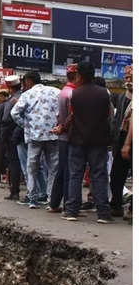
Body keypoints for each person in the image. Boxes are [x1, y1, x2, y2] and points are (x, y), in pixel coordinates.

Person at [58, 61, 114, 223]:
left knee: (75, 175)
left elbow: (72, 116)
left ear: (79, 75)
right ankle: (103, 213)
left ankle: (71, 211)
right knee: (99, 175)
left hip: (77, 139)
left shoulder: (75, 94)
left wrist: (62, 127)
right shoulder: (105, 93)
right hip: (99, 140)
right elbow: (109, 116)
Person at [11, 71, 60, 209]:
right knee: (53, 168)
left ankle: (33, 199)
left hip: (34, 136)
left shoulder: (27, 95)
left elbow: (14, 113)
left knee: (32, 168)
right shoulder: (56, 91)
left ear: (28, 81)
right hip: (52, 135)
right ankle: (51, 199)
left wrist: (26, 125)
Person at [47, 64, 78, 213]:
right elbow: (73, 115)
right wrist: (63, 127)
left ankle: (54, 203)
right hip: (69, 136)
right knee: (69, 172)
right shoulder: (72, 93)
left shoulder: (63, 92)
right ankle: (68, 204)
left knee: (62, 170)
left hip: (63, 136)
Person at [109, 64, 132, 217]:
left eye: (130, 77)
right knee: (116, 175)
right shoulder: (123, 97)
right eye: (126, 77)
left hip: (130, 140)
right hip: (121, 139)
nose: (127, 80)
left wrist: (127, 144)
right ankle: (116, 205)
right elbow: (117, 121)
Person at [1, 75, 24, 200]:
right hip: (10, 132)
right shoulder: (14, 98)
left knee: (14, 162)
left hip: (13, 132)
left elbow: (14, 117)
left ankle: (15, 190)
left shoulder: (19, 98)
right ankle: (13, 189)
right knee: (12, 162)